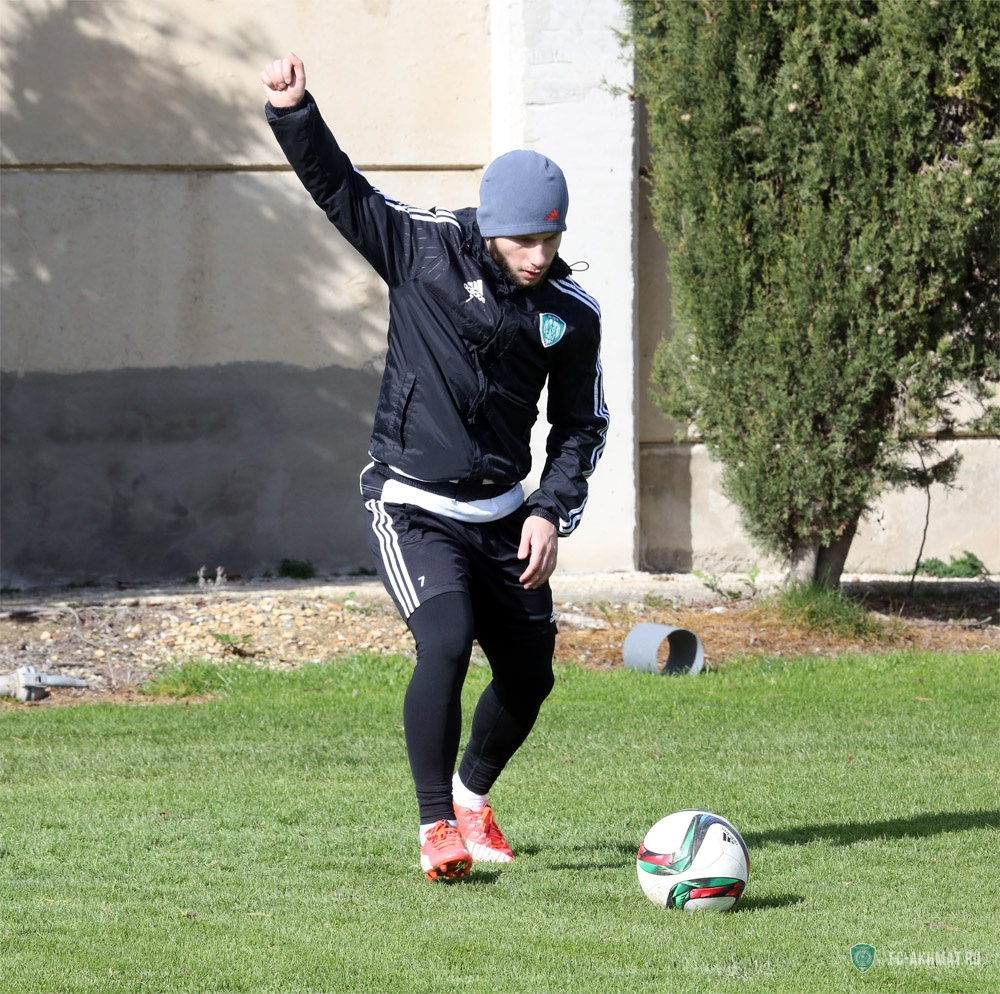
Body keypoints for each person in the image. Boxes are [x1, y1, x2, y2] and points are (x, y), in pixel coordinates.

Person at [260, 53, 609, 882]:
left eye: (552, 238)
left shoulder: (569, 312)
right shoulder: (424, 249)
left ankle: (470, 797)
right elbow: (344, 191)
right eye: (524, 239)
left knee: (529, 678)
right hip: (410, 504)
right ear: (489, 226)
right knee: (446, 643)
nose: (539, 255)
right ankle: (435, 828)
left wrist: (548, 511)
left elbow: (581, 426)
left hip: (504, 515)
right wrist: (295, 113)